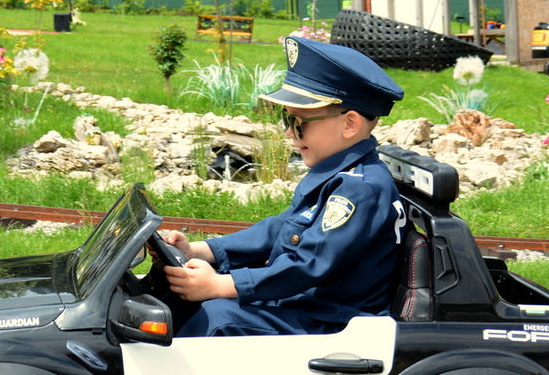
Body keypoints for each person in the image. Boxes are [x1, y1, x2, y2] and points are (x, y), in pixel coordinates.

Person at [161, 36, 407, 337]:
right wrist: (201, 251)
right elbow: (281, 229)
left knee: (214, 318)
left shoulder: (358, 189)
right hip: (305, 305)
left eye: (299, 122)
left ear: (349, 125)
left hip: (330, 322)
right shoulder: (336, 174)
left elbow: (309, 264)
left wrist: (221, 285)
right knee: (188, 304)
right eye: (285, 119)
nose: (289, 133)